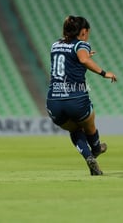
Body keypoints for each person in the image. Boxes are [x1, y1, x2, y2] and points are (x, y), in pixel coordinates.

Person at [46, 16, 117, 175]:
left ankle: (88, 157)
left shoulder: (55, 45)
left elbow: (69, 60)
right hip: (75, 97)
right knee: (88, 122)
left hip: (54, 101)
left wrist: (81, 58)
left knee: (74, 130)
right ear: (83, 32)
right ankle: (96, 148)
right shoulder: (81, 44)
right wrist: (104, 73)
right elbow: (83, 59)